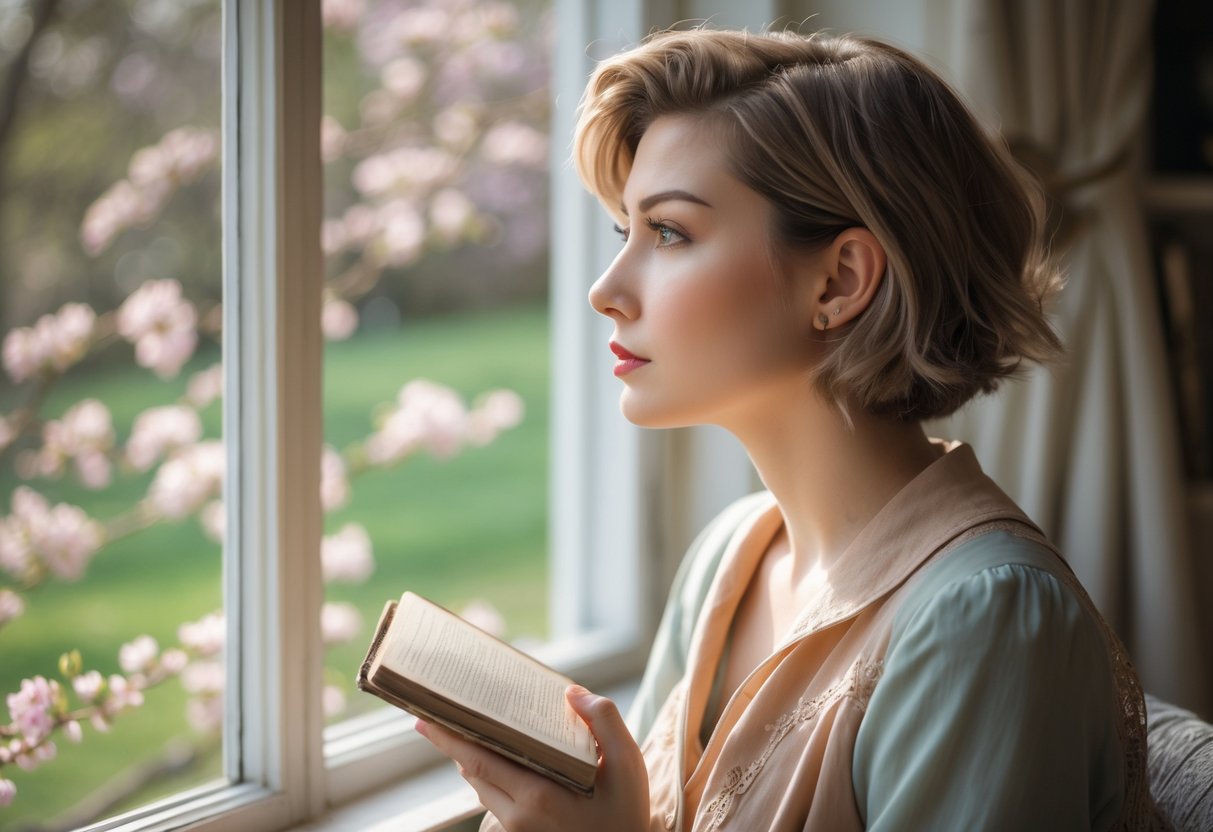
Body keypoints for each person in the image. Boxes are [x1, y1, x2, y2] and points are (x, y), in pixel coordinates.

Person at [416, 27, 1164, 831]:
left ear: (840, 281)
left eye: (667, 232)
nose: (606, 289)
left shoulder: (983, 622)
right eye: (621, 232)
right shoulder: (729, 558)